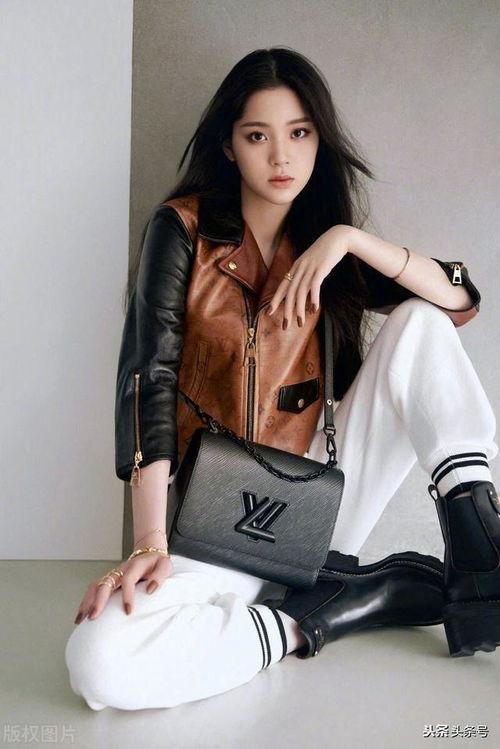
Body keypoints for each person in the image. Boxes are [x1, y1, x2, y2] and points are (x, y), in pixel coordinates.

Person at [65, 47, 499, 712]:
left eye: (299, 133)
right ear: (229, 146)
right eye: (257, 136)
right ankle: (321, 612)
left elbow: (460, 296)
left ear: (319, 140)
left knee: (420, 320)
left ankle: (480, 541)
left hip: (318, 499)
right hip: (214, 521)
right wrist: (150, 540)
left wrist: (348, 240)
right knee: (99, 662)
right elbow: (148, 378)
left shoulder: (326, 245)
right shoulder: (180, 230)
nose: (281, 157)